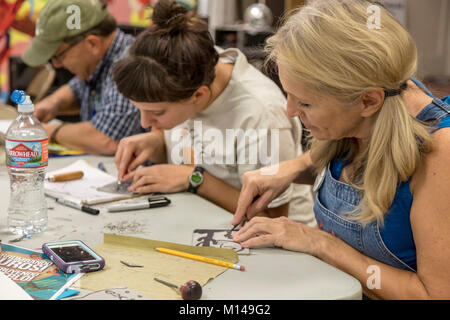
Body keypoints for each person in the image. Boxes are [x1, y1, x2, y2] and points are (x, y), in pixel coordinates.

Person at [232, 0, 450, 299]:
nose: (291, 111)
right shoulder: (376, 96)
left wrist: (322, 243)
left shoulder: (441, 151)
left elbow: (435, 295)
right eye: (289, 95)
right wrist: (292, 168)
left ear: (368, 102)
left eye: (305, 103)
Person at [112, 0, 315, 224]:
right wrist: (155, 141)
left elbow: (271, 217)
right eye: (139, 110)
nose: (144, 122)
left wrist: (194, 179)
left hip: (276, 244)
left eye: (157, 113)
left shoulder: (260, 113)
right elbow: (190, 137)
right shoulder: (191, 66)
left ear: (198, 96)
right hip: (200, 218)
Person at [21, 0, 144, 155]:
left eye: (58, 56)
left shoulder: (130, 65)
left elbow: (107, 140)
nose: (57, 65)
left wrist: (47, 131)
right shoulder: (97, 63)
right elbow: (77, 88)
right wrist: (53, 103)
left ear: (92, 44)